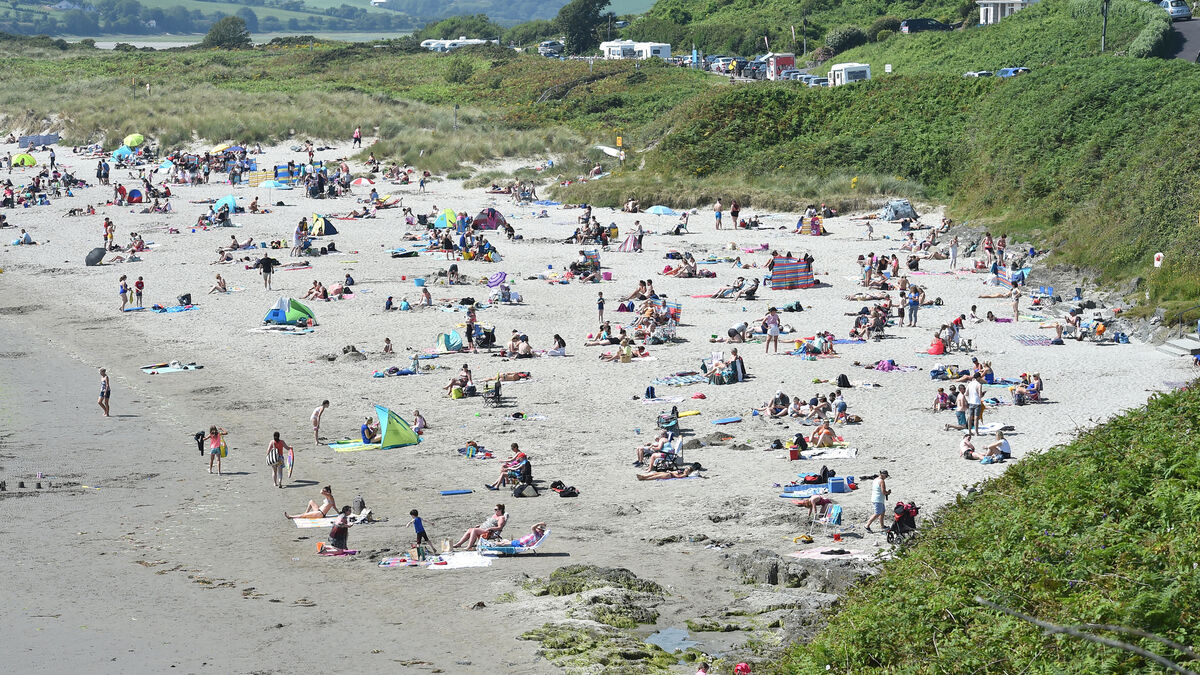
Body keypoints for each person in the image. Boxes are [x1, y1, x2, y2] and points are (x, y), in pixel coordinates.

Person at [637, 464, 701, 480]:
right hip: (669, 473)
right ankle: (644, 476)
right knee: (655, 473)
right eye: (686, 468)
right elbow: (676, 472)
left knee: (656, 476)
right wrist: (671, 471)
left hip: (670, 475)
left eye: (687, 469)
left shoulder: (684, 474)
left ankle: (644, 478)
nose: (686, 469)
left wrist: (671, 473)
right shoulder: (682, 471)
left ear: (688, 472)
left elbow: (678, 477)